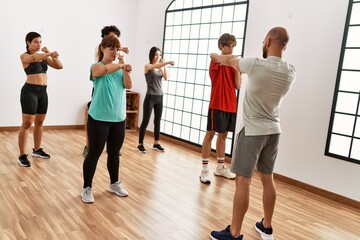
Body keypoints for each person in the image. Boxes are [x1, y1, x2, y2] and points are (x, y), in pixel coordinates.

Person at [209, 27, 296, 240]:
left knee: (243, 181)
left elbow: (227, 61)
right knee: (268, 179)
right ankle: (266, 226)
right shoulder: (290, 71)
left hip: (253, 132)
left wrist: (216, 55)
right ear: (285, 46)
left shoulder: (255, 64)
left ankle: (234, 232)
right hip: (273, 132)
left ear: (267, 41)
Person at [81, 35, 133, 203]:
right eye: (111, 48)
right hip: (98, 118)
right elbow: (102, 71)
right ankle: (87, 187)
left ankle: (114, 183)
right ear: (102, 48)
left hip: (118, 119)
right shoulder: (96, 66)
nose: (114, 51)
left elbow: (129, 85)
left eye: (116, 48)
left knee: (114, 154)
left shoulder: (119, 68)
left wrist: (125, 69)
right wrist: (121, 64)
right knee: (94, 153)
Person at [199, 33, 242, 184]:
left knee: (223, 136)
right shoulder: (216, 60)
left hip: (230, 105)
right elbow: (219, 58)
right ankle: (204, 171)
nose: (231, 48)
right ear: (221, 46)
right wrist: (234, 61)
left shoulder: (234, 64)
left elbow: (238, 86)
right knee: (210, 134)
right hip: (217, 103)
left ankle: (220, 167)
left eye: (233, 46)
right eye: (228, 45)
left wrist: (238, 70)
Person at [83, 25, 129, 158]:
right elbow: (103, 67)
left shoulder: (115, 51)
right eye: (112, 37)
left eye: (116, 39)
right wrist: (120, 63)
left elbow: (127, 81)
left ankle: (112, 146)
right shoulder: (99, 49)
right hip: (101, 80)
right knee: (94, 113)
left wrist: (120, 54)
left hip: (113, 78)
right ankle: (89, 145)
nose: (114, 41)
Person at [18, 32, 63, 167]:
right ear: (28, 42)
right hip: (29, 92)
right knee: (27, 123)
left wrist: (50, 54)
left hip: (43, 92)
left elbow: (59, 66)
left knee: (40, 122)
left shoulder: (43, 57)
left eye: (40, 42)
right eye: (35, 42)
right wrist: (48, 54)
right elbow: (34, 58)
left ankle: (37, 149)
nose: (38, 44)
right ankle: (22, 155)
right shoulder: (25, 56)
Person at [137, 46, 175, 153]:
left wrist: (165, 65)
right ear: (152, 55)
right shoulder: (147, 66)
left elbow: (166, 77)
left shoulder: (161, 67)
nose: (158, 56)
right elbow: (156, 65)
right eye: (156, 54)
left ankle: (156, 143)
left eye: (159, 54)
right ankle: (140, 144)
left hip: (159, 96)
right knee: (145, 121)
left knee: (157, 121)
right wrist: (166, 63)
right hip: (150, 97)